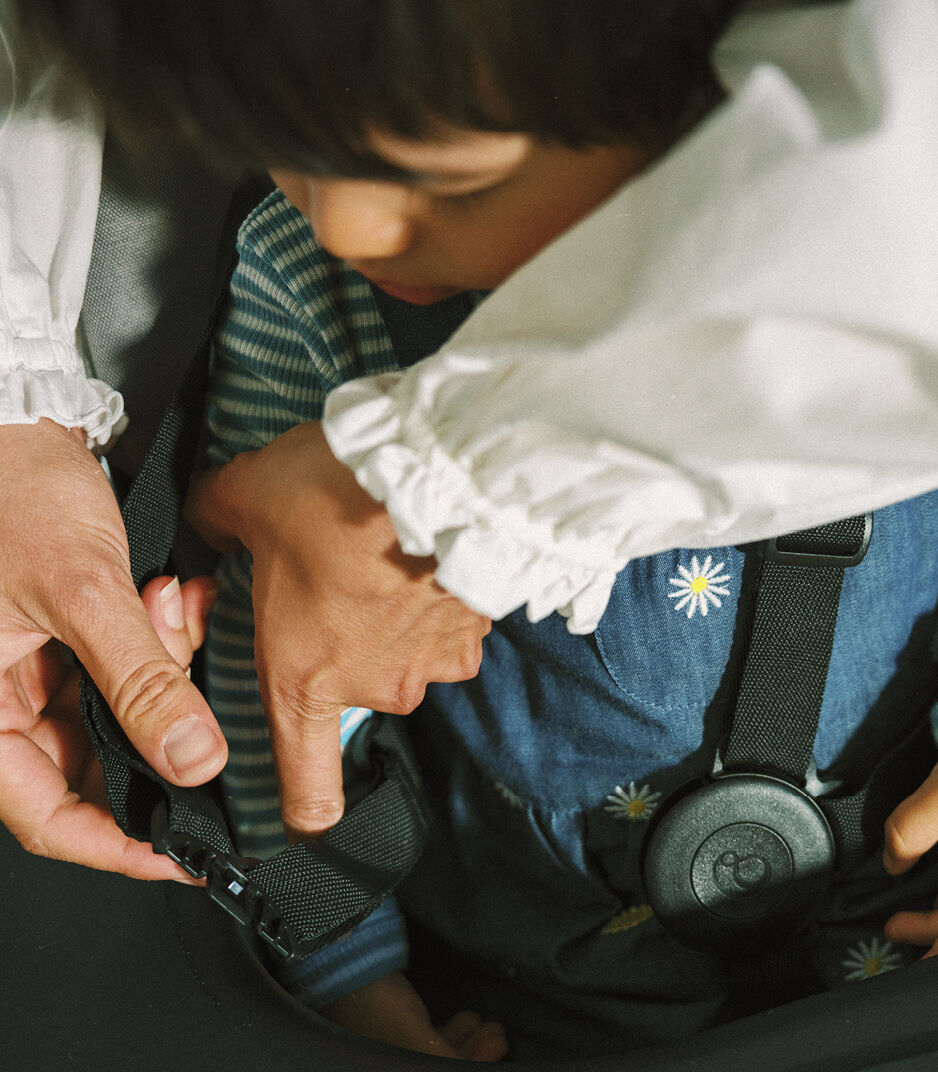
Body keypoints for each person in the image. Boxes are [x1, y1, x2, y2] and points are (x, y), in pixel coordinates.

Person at [7, 0, 938, 1005]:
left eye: (456, 183)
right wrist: (348, 960)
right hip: (541, 963)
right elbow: (267, 658)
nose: (347, 223)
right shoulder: (312, 278)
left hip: (892, 919)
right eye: (282, 150)